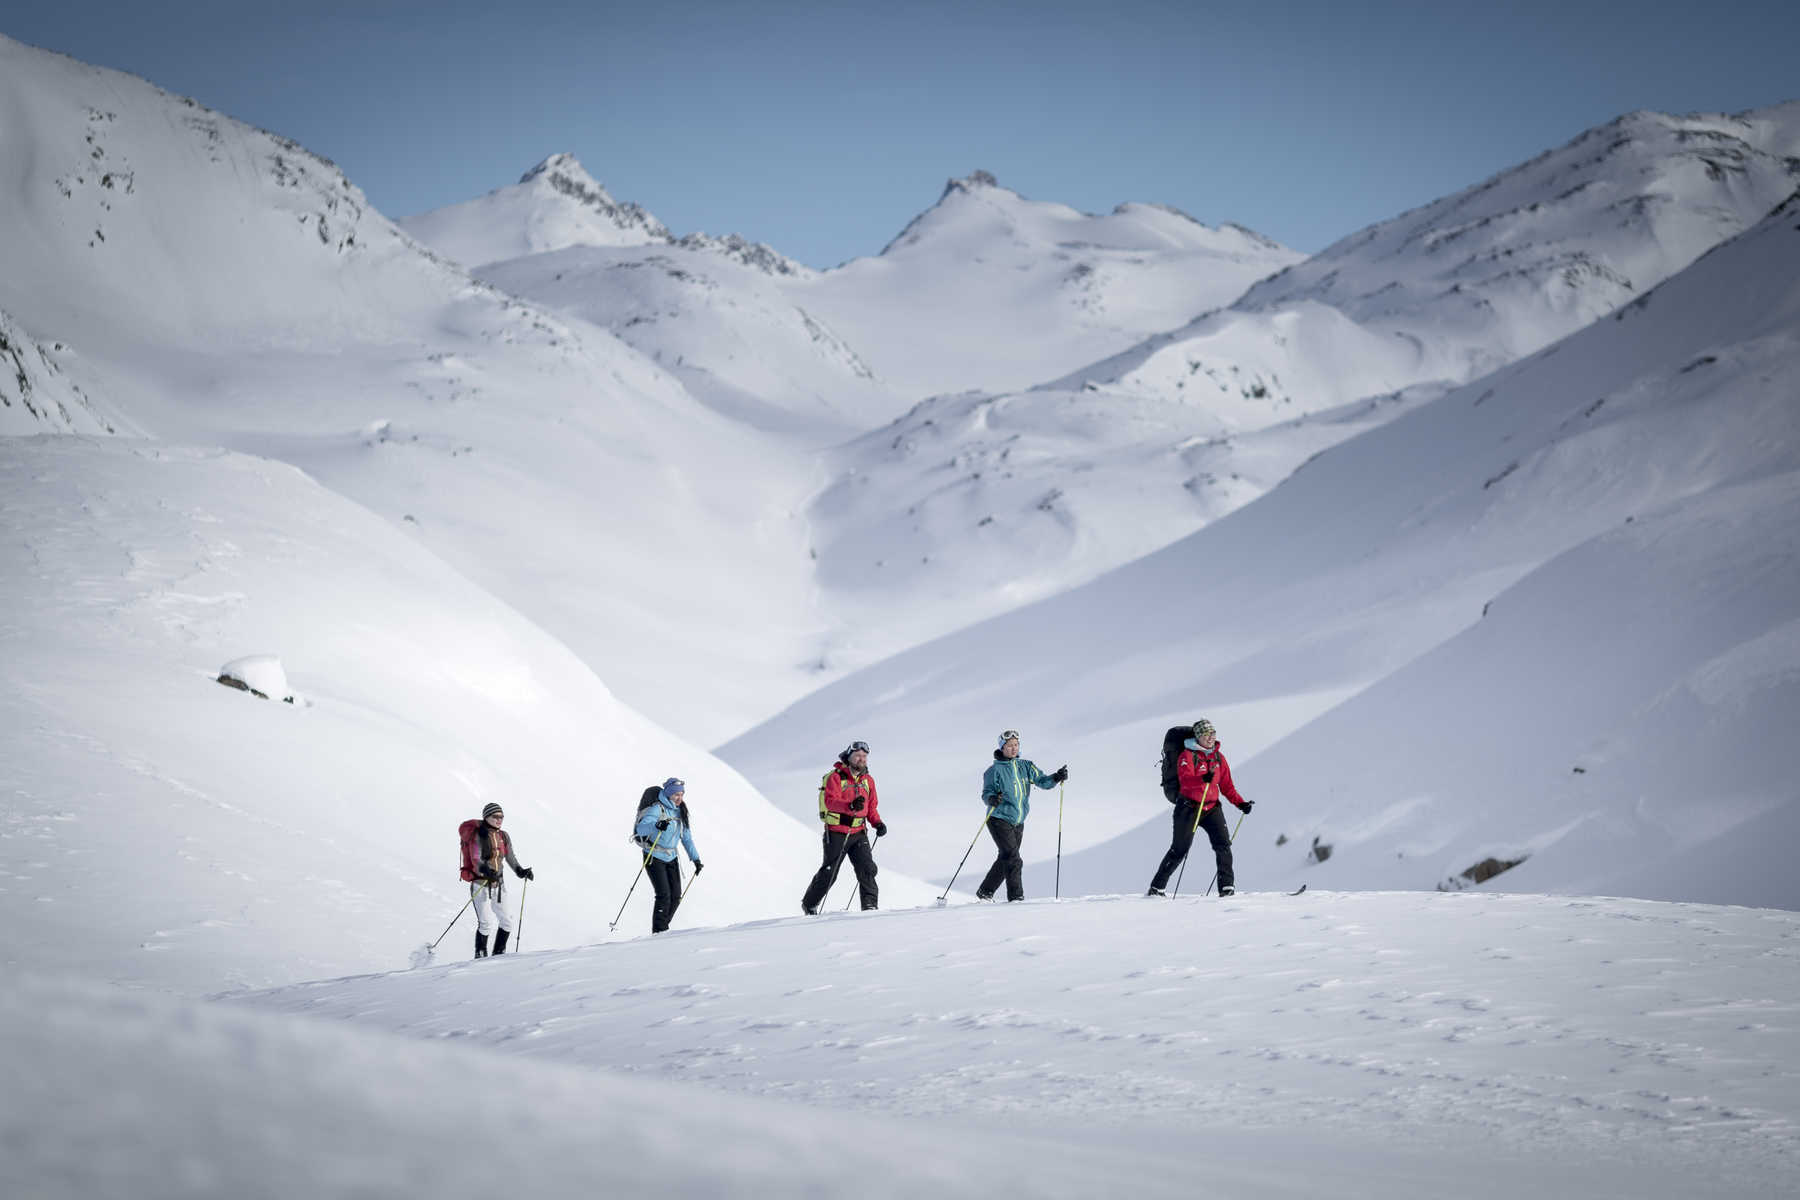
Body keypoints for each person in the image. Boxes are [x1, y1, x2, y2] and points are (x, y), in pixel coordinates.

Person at [1147, 718, 1253, 897]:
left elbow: (1227, 787)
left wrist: (1241, 803)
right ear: (1198, 737)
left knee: (1223, 846)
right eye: (1206, 734)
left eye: (1213, 733)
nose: (1211, 737)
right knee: (1180, 849)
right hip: (1188, 807)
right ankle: (1157, 888)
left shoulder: (1219, 757)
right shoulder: (1187, 755)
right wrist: (1202, 779)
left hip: (1212, 808)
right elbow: (1185, 780)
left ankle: (1227, 888)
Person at [977, 730, 1066, 902]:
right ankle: (1016, 898)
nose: (1013, 749)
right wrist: (991, 798)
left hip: (1018, 821)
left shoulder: (1026, 766)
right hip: (998, 818)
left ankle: (985, 892)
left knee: (1006, 858)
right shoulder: (994, 771)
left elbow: (1043, 782)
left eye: (1016, 745)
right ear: (1002, 748)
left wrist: (1056, 777)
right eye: (1009, 746)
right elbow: (986, 794)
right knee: (1013, 859)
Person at [801, 740, 886, 914]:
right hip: (836, 833)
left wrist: (877, 822)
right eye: (857, 756)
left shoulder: (868, 781)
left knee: (867, 869)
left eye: (864, 756)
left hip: (859, 833)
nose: (861, 759)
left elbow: (871, 807)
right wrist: (850, 806)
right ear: (849, 757)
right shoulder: (836, 777)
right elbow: (830, 802)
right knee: (829, 873)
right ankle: (809, 904)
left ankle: (870, 907)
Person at [459, 802, 534, 957]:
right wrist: (485, 870)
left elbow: (510, 856)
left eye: (501, 817)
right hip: (481, 884)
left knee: (506, 921)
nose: (499, 820)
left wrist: (520, 871)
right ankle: (480, 955)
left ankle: (499, 955)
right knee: (486, 923)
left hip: (499, 885)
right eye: (496, 816)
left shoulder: (503, 836)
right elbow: (475, 858)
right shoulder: (478, 834)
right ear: (487, 817)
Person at [633, 777, 702, 933]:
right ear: (669, 794)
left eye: (682, 794)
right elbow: (641, 829)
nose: (679, 798)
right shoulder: (657, 809)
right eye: (676, 794)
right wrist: (656, 824)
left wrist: (695, 858)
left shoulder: (680, 811)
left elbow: (686, 837)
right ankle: (659, 931)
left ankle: (663, 926)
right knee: (664, 895)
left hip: (671, 857)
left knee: (676, 896)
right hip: (653, 855)